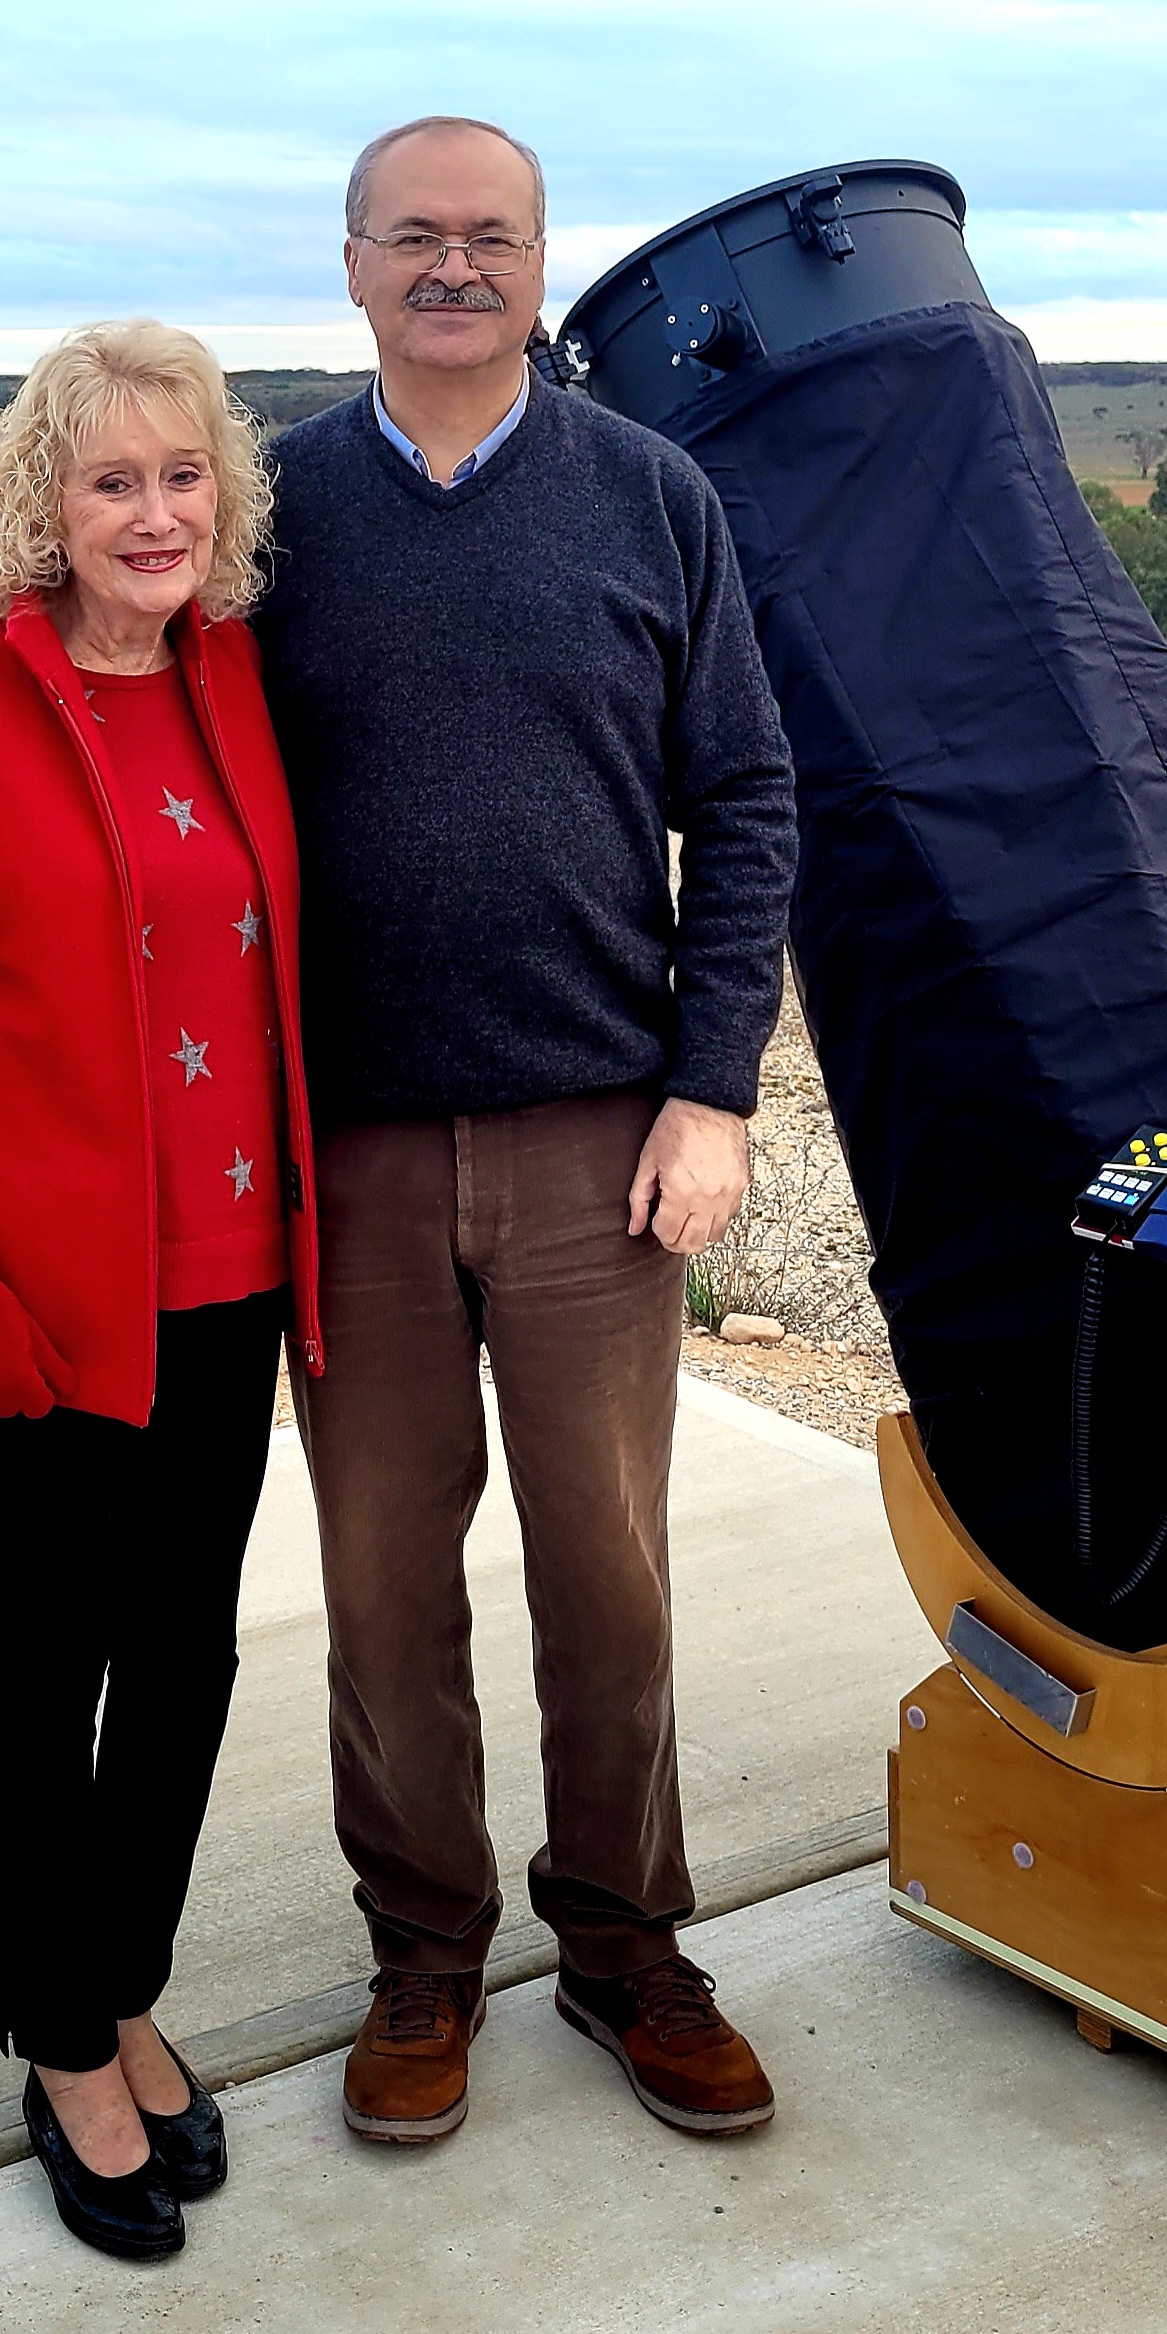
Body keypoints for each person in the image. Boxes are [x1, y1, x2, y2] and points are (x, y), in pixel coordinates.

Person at [254, 115, 800, 2147]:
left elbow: (747, 798)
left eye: (492, 234)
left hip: (598, 1141)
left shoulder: (651, 497)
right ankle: (424, 1949)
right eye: (415, 233)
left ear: (542, 265)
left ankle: (626, 1942)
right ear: (354, 263)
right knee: (385, 1588)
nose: (454, 264)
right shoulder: (268, 515)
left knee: (610, 1576)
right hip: (352, 1153)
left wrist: (714, 1083)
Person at [0, 320, 321, 2262]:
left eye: (185, 475)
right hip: (19, 1299)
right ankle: (64, 2043)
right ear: (45, 501)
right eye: (113, 480)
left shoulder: (239, 677)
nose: (155, 513)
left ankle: (124, 1984)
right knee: (44, 1663)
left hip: (230, 1281)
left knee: (186, 1656)